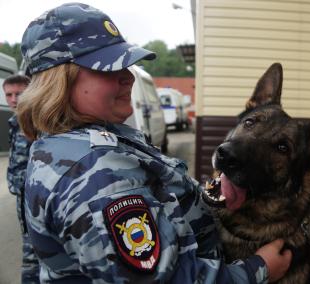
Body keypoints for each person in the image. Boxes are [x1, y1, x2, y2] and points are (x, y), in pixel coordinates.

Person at [17, 3, 292, 283]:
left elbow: (166, 190)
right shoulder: (98, 176)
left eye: (125, 63)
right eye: (107, 67)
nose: (128, 76)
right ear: (60, 80)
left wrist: (221, 190)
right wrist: (260, 270)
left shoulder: (82, 140)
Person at [3, 74, 40, 283]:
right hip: (21, 194)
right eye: (9, 94)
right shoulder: (14, 121)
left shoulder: (37, 121)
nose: (14, 99)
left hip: (34, 197)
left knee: (33, 253)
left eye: (19, 93)